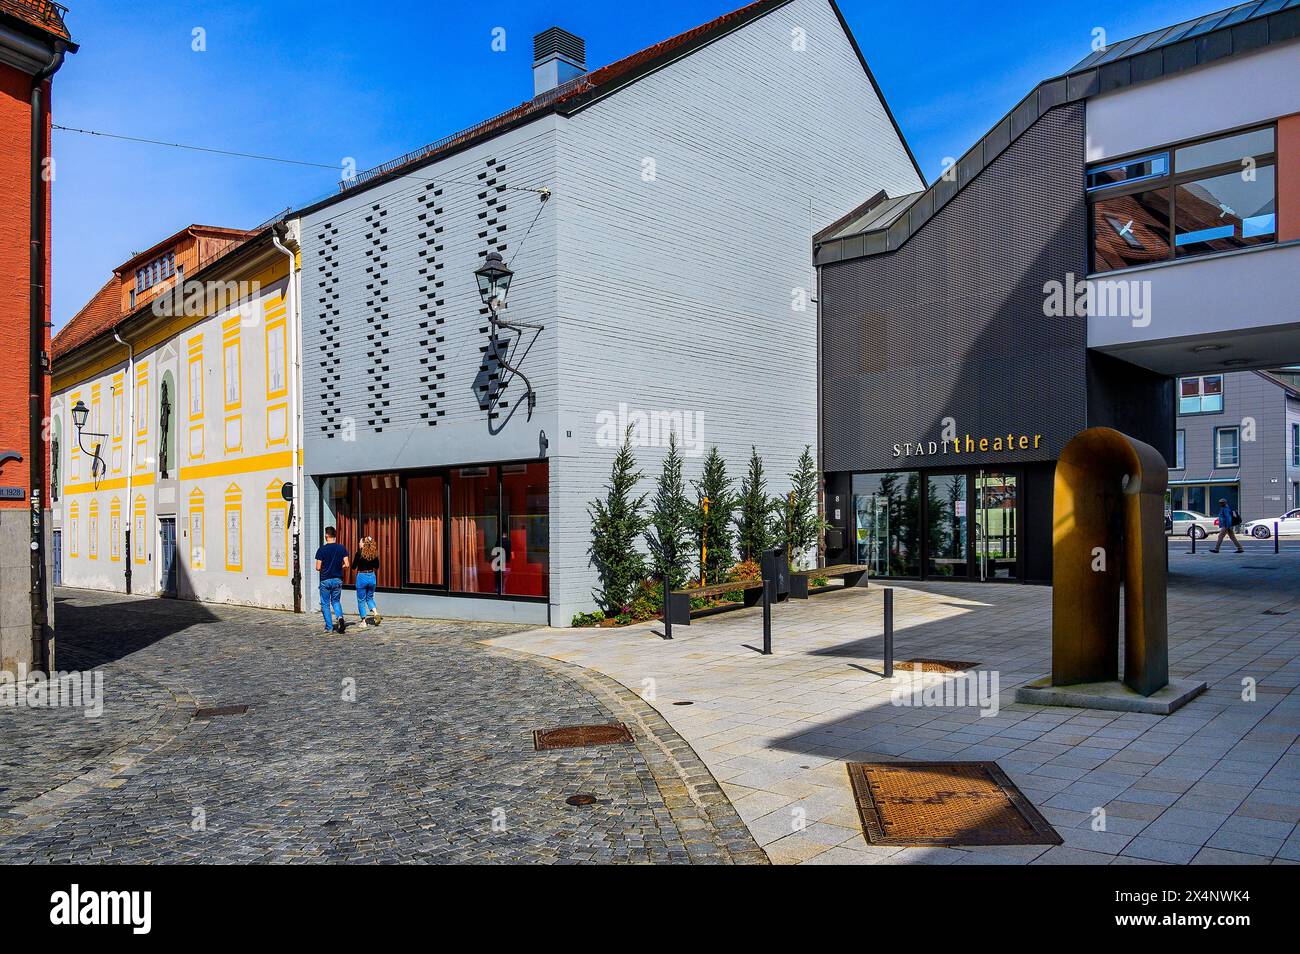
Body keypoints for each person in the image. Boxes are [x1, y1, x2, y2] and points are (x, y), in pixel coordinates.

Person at [314, 526, 350, 633]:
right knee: (336, 601)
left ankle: (329, 627)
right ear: (335, 535)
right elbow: (347, 564)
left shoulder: (322, 550)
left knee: (325, 603)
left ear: (326, 536)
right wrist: (339, 567)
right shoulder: (341, 548)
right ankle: (339, 617)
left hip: (325, 579)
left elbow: (318, 567)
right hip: (337, 579)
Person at [353, 536, 382, 626]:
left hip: (362, 576)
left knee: (361, 600)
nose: (359, 543)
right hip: (372, 576)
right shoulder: (374, 554)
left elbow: (354, 566)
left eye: (360, 542)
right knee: (370, 598)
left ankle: (363, 622)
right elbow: (377, 566)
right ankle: (376, 613)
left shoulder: (359, 553)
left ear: (363, 544)